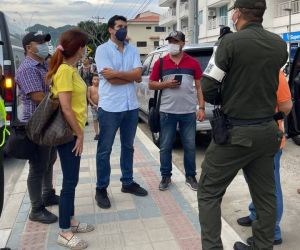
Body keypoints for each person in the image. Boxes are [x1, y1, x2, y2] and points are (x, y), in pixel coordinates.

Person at [197, 0, 289, 249]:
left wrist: (224, 96)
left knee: (208, 192)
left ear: (237, 13)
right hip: (268, 132)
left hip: (236, 133)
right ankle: (262, 245)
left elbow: (208, 86)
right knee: (265, 196)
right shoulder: (280, 45)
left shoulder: (229, 43)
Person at [46, 28, 95, 250]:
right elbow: (66, 108)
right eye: (84, 46)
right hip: (68, 134)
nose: (86, 50)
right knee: (69, 182)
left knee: (72, 180)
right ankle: (64, 231)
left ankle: (71, 221)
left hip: (72, 132)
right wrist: (80, 133)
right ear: (78, 47)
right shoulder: (65, 71)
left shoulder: (70, 69)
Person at [94, 15, 148, 209]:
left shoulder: (132, 49)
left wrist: (118, 73)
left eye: (125, 26)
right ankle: (101, 188)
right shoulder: (102, 50)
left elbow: (138, 75)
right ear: (110, 29)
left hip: (131, 106)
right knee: (105, 149)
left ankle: (127, 182)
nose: (123, 29)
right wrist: (130, 76)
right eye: (119, 26)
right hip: (110, 107)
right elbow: (112, 81)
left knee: (128, 147)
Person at [237, 70, 292, 246]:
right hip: (249, 141)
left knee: (270, 187)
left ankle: (272, 231)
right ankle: (255, 214)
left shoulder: (276, 74)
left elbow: (285, 106)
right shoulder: (247, 69)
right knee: (254, 181)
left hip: (269, 142)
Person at [149, 31, 205, 191]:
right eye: (170, 41)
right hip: (167, 112)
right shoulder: (161, 62)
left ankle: (190, 176)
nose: (172, 43)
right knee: (166, 146)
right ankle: (166, 176)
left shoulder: (192, 62)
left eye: (176, 41)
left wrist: (201, 107)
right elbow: (151, 84)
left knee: (190, 146)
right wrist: (165, 84)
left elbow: (200, 87)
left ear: (182, 43)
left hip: (188, 112)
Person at [15, 32, 59, 224]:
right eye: (39, 42)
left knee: (49, 159)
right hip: (36, 123)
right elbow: (38, 96)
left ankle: (48, 194)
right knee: (38, 165)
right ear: (28, 47)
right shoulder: (27, 68)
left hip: (48, 120)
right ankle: (36, 208)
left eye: (46, 42)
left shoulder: (44, 65)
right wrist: (62, 101)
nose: (44, 45)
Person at [87, 74, 100, 140]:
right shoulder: (90, 88)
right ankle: (97, 133)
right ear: (92, 80)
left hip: (101, 106)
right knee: (95, 119)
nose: (96, 81)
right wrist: (93, 104)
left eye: (98, 79)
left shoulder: (101, 87)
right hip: (93, 106)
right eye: (95, 79)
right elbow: (88, 97)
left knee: (101, 120)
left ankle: (101, 133)